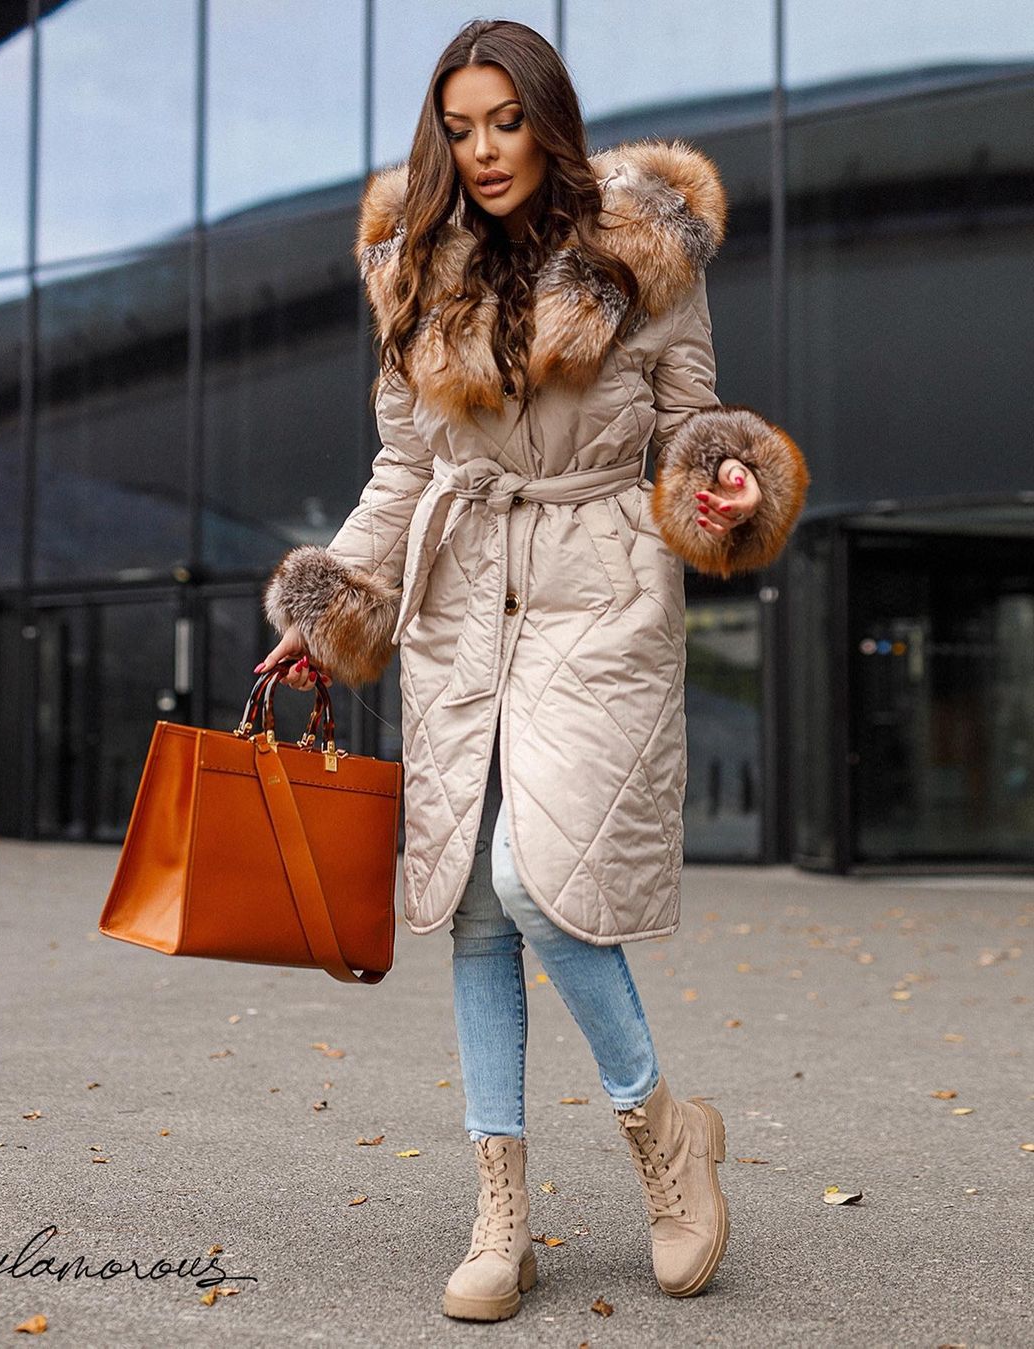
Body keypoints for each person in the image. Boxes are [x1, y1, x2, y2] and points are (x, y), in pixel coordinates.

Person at [257, 18, 808, 1323]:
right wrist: (329, 597)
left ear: (549, 118)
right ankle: (501, 1209)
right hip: (461, 595)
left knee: (533, 872)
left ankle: (664, 1140)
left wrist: (723, 479)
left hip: (602, 581)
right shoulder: (414, 266)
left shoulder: (648, 244)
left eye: (505, 120)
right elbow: (405, 466)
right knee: (476, 901)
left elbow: (691, 422)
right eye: (459, 126)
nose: (483, 148)